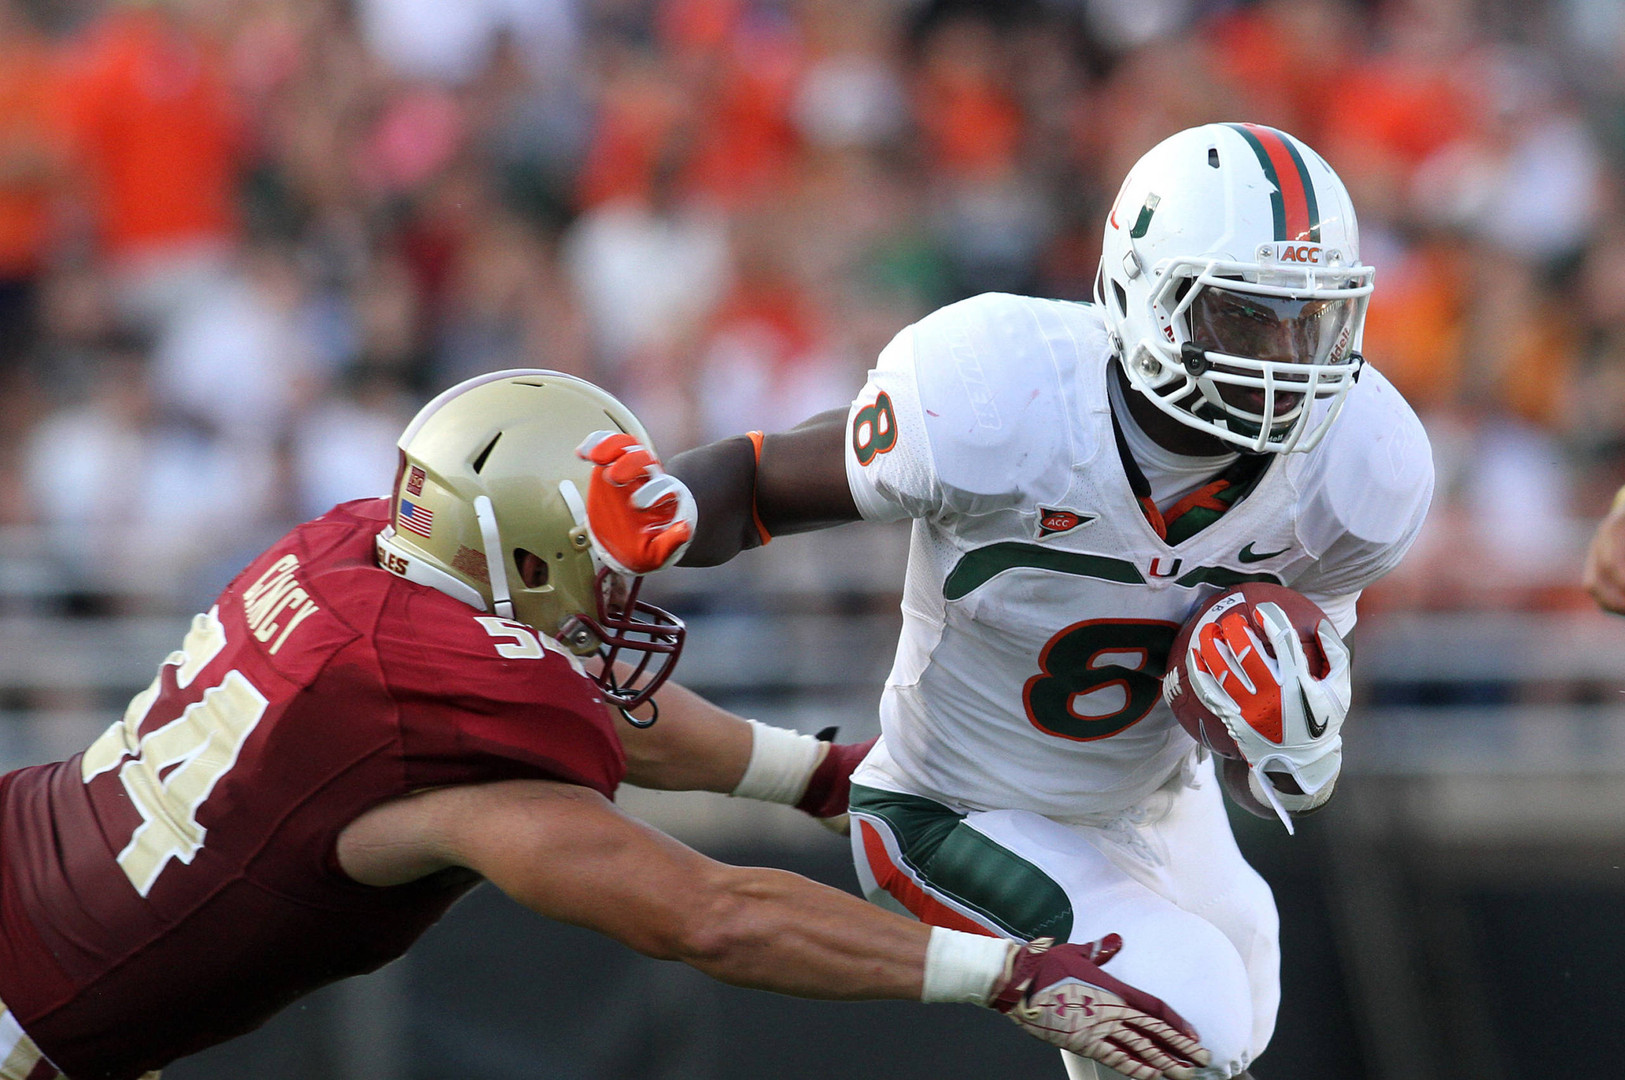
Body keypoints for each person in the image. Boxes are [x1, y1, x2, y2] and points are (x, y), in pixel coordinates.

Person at [0, 369, 1209, 1080]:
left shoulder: (360, 553)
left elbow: (578, 707)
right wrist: (1002, 973)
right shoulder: (436, 720)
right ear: (510, 548)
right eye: (585, 555)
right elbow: (708, 913)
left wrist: (824, 777)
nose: (614, 584)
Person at [580, 123, 1435, 1079]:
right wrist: (666, 508)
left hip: (1154, 793)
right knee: (1196, 1011)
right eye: (1245, 318)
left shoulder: (1362, 466)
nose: (1281, 360)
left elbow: (1268, 737)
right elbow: (769, 483)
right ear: (1141, 293)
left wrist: (1287, 742)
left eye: (1306, 321)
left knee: (1241, 976)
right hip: (958, 804)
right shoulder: (1002, 392)